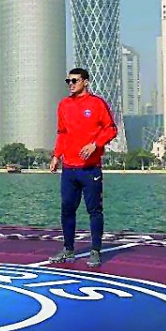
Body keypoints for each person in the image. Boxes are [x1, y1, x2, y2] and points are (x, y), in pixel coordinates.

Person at [47, 68, 118, 268]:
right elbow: (62, 133)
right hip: (69, 169)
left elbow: (111, 129)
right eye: (68, 81)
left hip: (90, 169)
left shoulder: (97, 103)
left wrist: (95, 144)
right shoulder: (64, 105)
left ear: (85, 82)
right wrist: (56, 156)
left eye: (74, 80)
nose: (70, 84)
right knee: (67, 209)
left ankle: (95, 251)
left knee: (94, 210)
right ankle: (68, 249)